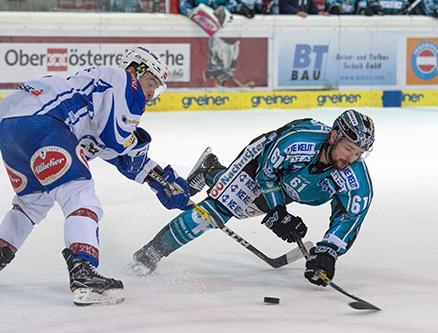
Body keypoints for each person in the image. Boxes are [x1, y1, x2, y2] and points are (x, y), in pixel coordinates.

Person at [0, 46, 192, 305]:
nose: (151, 94)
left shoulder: (95, 99)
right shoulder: (124, 80)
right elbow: (118, 140)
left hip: (10, 128)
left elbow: (114, 150)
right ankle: (84, 273)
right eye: (152, 83)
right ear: (138, 69)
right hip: (43, 123)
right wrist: (162, 176)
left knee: (31, 203)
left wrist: (158, 179)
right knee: (80, 193)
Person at [129, 110, 375, 288]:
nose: (351, 158)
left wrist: (328, 252)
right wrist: (279, 211)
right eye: (348, 149)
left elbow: (350, 217)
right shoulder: (298, 141)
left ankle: (210, 170)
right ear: (333, 136)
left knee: (246, 209)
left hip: (293, 183)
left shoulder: (356, 179)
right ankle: (151, 253)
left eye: (358, 153)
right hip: (260, 162)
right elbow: (267, 173)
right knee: (218, 212)